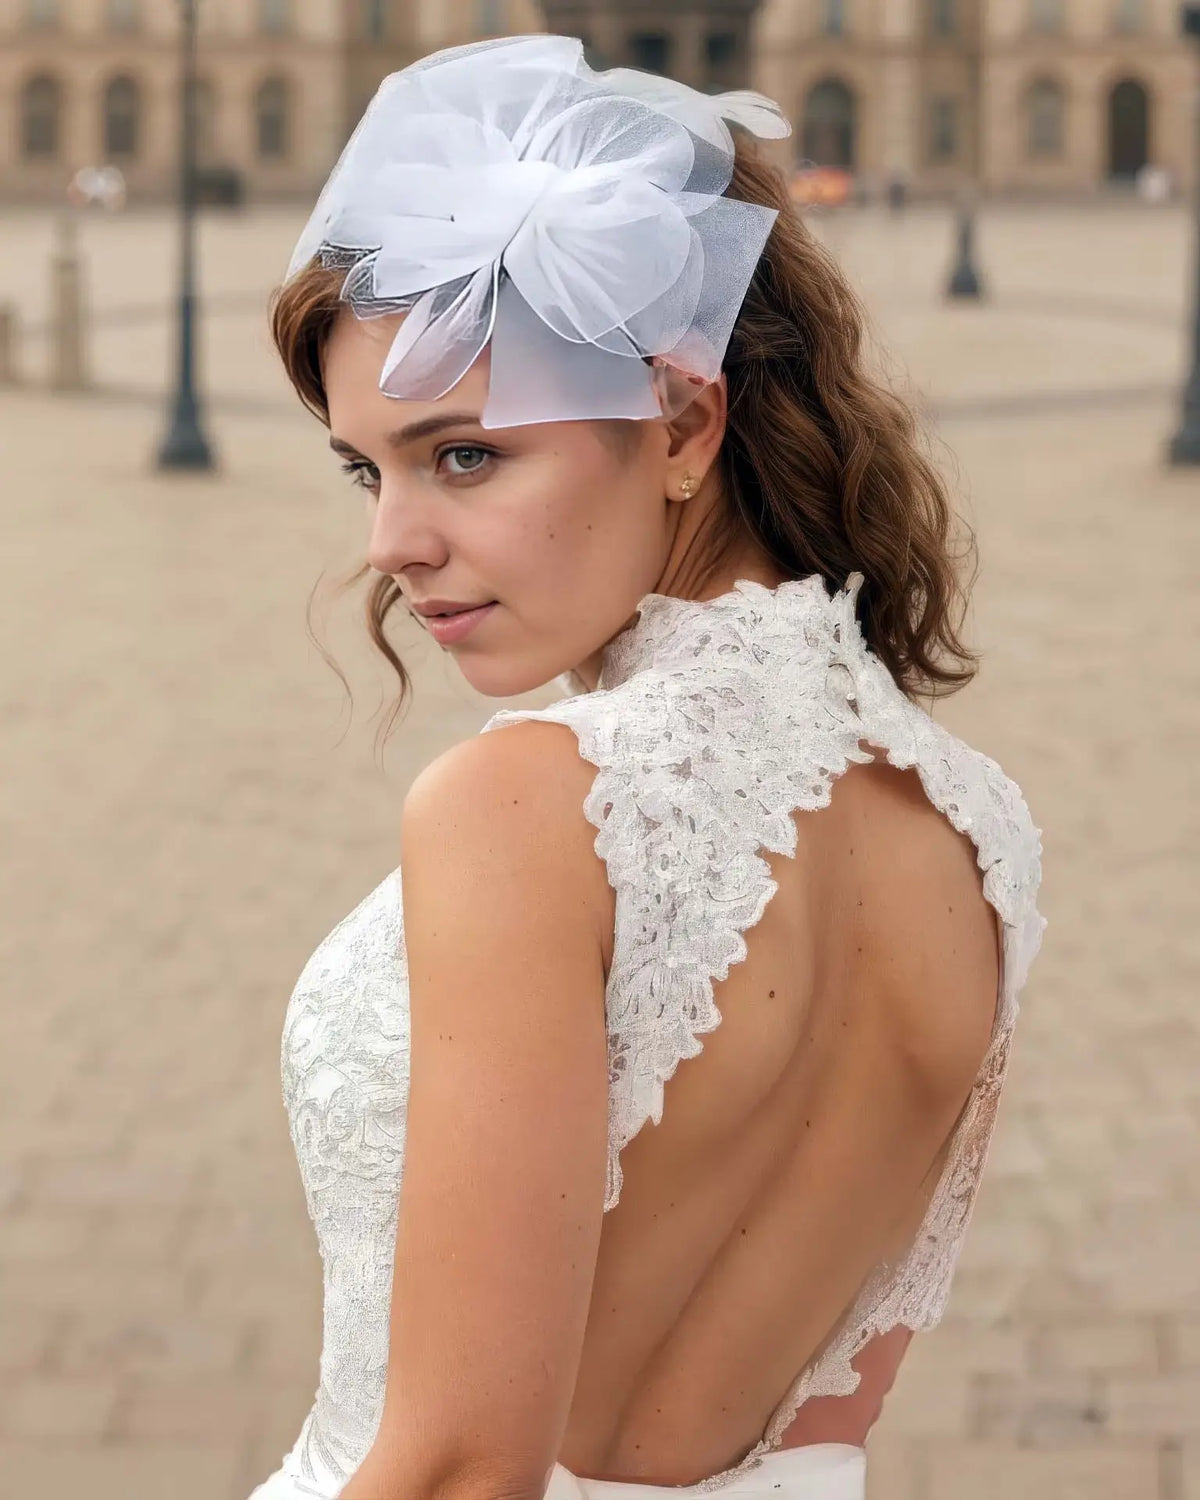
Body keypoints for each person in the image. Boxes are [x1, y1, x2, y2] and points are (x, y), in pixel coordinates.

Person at [250, 34, 1045, 1500]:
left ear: (683, 423)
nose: (392, 544)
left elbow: (461, 1471)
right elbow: (822, 1445)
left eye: (466, 455)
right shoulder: (976, 834)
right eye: (372, 470)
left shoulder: (528, 806)